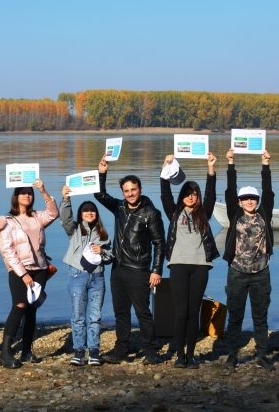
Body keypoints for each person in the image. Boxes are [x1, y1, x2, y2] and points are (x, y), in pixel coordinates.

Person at [95, 155, 165, 365]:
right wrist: (102, 173)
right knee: (121, 313)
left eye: (133, 189)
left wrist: (156, 270)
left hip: (140, 270)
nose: (130, 193)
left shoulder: (151, 213)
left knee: (143, 313)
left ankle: (151, 352)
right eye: (126, 191)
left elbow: (160, 243)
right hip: (118, 269)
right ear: (123, 193)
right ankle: (121, 350)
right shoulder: (119, 207)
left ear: (140, 189)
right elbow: (99, 194)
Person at [0, 179, 58, 369]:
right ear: (16, 197)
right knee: (19, 306)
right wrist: (23, 275)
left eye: (30, 192)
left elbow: (54, 213)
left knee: (32, 309)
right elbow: (8, 252)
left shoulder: (37, 217)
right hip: (20, 271)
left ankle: (27, 350)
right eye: (23, 192)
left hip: (41, 269)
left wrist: (43, 190)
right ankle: (5, 353)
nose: (27, 195)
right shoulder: (6, 222)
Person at [160, 153, 219, 369]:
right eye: (187, 194)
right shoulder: (174, 213)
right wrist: (165, 168)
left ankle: (191, 356)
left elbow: (211, 194)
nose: (191, 197)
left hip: (200, 266)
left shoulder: (204, 212)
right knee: (181, 312)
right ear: (182, 196)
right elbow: (165, 194)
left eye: (194, 194)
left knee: (194, 312)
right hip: (177, 265)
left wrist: (210, 168)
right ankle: (179, 355)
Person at [221, 149, 275, 371]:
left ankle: (262, 355)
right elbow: (229, 189)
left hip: (261, 272)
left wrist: (265, 165)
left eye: (253, 198)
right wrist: (231, 163)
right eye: (245, 199)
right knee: (235, 316)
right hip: (237, 272)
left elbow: (269, 192)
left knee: (260, 317)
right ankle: (232, 355)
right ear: (240, 201)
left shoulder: (264, 212)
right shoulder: (235, 214)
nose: (250, 201)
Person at [60, 186, 111, 366]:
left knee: (95, 316)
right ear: (80, 214)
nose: (89, 213)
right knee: (78, 315)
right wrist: (66, 199)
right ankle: (79, 351)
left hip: (98, 278)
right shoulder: (74, 230)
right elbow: (65, 218)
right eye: (85, 210)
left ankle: (94, 351)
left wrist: (103, 251)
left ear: (96, 214)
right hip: (77, 276)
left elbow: (111, 256)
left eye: (92, 210)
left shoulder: (103, 234)